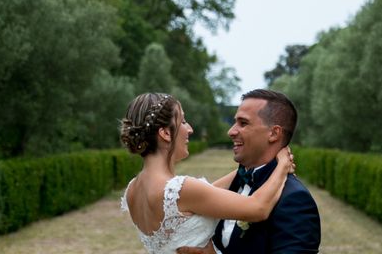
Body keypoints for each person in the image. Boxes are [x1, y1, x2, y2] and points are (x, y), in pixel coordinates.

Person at [120, 92, 295, 254]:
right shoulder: (180, 190)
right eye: (182, 121)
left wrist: (253, 163)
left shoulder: (133, 190)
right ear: (165, 133)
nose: (189, 129)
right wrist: (282, 165)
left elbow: (204, 195)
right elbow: (259, 208)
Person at [178, 89, 321, 254]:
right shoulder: (231, 185)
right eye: (235, 122)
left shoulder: (295, 200)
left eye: (243, 123)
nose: (230, 131)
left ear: (274, 133)